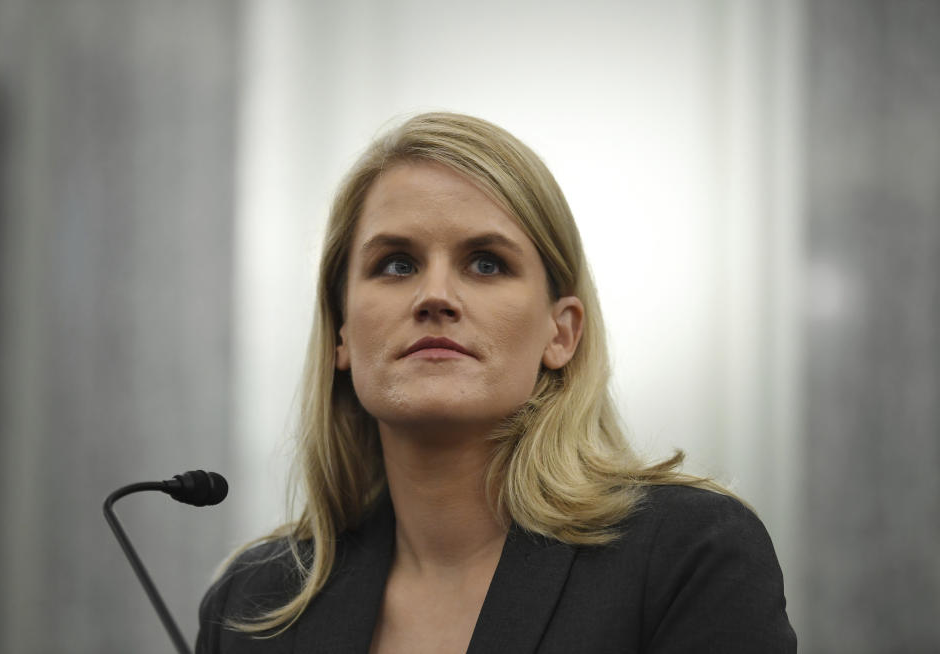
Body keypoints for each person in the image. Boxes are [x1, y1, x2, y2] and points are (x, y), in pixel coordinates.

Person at [196, 112, 796, 653]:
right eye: (396, 264)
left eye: (486, 263)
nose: (435, 296)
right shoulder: (250, 605)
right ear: (343, 333)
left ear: (561, 333)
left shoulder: (687, 554)